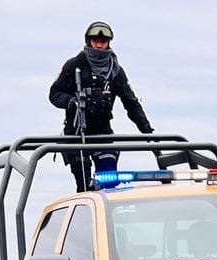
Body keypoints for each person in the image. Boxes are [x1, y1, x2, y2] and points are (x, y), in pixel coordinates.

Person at [49, 21, 154, 193]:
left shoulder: (115, 70)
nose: (99, 45)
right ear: (89, 41)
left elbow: (131, 103)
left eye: (103, 41)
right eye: (96, 41)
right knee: (83, 186)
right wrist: (71, 101)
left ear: (108, 43)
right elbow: (54, 93)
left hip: (102, 133)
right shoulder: (74, 65)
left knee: (108, 183)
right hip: (77, 133)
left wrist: (147, 131)